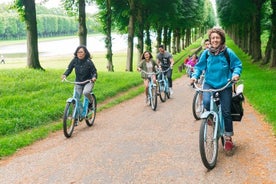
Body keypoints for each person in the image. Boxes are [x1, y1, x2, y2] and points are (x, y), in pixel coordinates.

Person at [190, 27, 242, 154]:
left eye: (217, 37)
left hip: (225, 84)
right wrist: (194, 77)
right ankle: (212, 119)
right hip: (209, 83)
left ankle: (228, 138)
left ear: (221, 39)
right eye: (213, 38)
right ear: (210, 39)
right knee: (206, 103)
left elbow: (237, 65)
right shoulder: (206, 53)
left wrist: (235, 74)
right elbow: (199, 67)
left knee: (226, 111)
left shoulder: (228, 52)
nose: (214, 40)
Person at [61, 45, 97, 121]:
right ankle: (77, 115)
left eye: (81, 52)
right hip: (78, 82)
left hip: (88, 81)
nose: (79, 54)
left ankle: (91, 103)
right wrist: (65, 74)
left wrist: (94, 77)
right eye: (78, 52)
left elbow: (94, 71)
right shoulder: (74, 60)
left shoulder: (88, 61)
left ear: (85, 53)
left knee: (86, 92)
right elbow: (69, 69)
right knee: (75, 98)